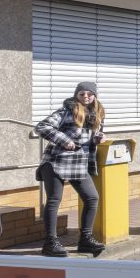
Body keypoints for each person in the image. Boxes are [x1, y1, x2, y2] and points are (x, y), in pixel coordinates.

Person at [34, 81, 106, 257]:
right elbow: (41, 127)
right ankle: (51, 243)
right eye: (82, 94)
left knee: (92, 198)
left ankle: (85, 240)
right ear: (77, 95)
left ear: (94, 96)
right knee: (54, 200)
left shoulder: (97, 115)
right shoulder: (66, 111)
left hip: (78, 164)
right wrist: (64, 140)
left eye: (89, 94)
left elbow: (90, 137)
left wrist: (98, 138)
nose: (86, 97)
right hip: (55, 162)